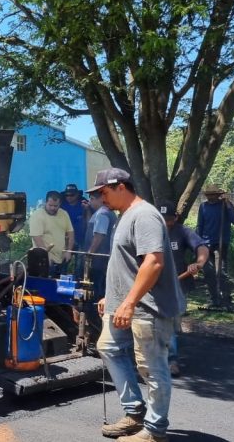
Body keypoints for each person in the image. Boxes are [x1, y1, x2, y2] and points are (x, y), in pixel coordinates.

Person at [91, 168, 183, 442]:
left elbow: (153, 262)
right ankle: (135, 413)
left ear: (120, 186)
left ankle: (155, 432)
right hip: (124, 304)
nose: (101, 199)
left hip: (147, 308)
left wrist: (129, 302)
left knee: (153, 368)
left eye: (103, 192)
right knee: (107, 347)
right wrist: (114, 296)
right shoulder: (124, 216)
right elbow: (129, 265)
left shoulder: (144, 215)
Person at [158, 202, 209, 377]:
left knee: (170, 323)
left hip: (176, 286)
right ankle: (152, 358)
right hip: (152, 285)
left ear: (176, 218)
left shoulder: (182, 232)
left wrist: (199, 262)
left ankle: (171, 360)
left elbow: (201, 247)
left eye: (169, 220)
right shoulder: (150, 231)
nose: (165, 223)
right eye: (162, 219)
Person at [195, 184, 234, 310]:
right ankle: (214, 299)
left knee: (221, 272)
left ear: (218, 195)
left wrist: (228, 204)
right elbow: (200, 225)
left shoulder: (225, 206)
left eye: (213, 195)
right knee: (208, 272)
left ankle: (226, 300)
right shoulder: (203, 206)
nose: (210, 197)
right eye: (208, 195)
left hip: (221, 243)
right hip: (205, 243)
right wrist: (198, 243)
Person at [83, 190, 117, 330]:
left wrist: (90, 253)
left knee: (96, 291)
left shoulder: (102, 214)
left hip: (98, 261)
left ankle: (96, 323)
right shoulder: (103, 213)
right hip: (102, 260)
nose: (90, 202)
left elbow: (99, 235)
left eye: (91, 199)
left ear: (98, 200)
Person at [29, 190, 75, 277]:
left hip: (62, 259)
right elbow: (37, 237)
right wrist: (45, 256)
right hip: (44, 261)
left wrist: (69, 250)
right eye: (50, 205)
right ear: (46, 202)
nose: (53, 208)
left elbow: (71, 233)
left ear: (60, 204)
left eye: (55, 206)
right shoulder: (37, 215)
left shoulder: (64, 214)